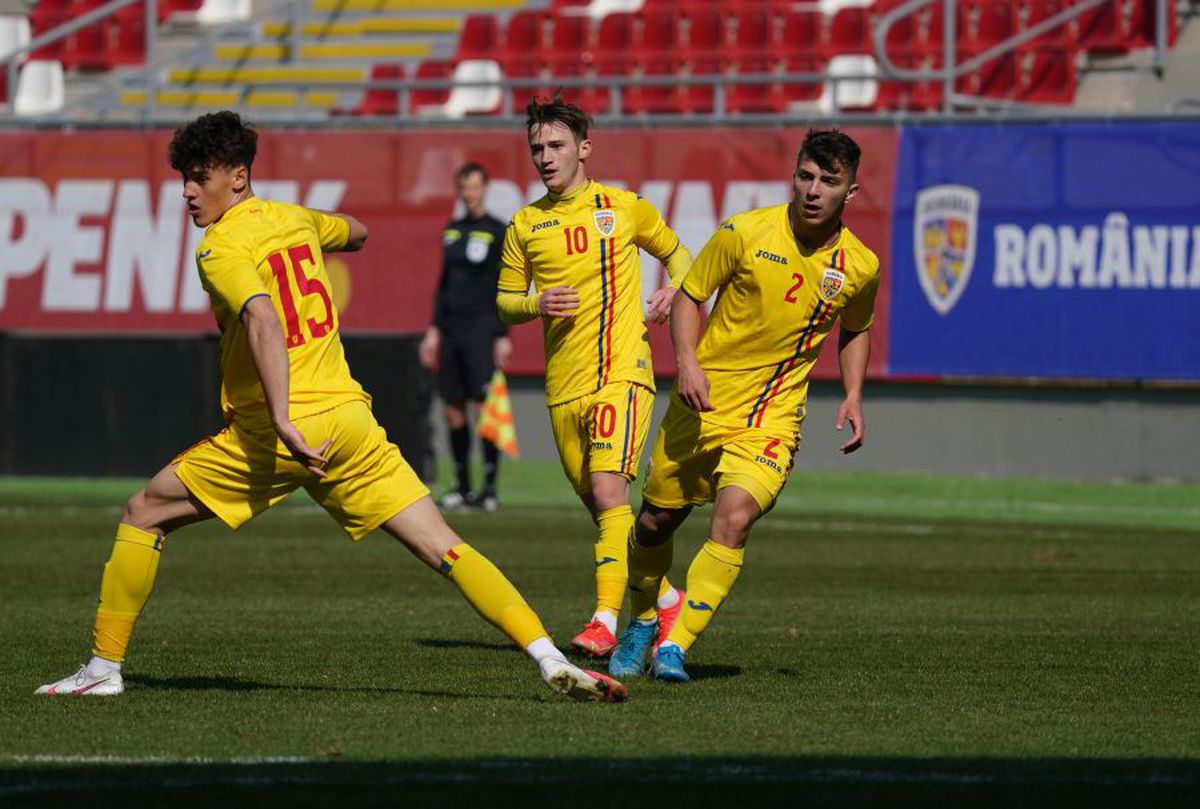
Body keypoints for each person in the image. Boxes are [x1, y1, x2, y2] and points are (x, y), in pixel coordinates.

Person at [35, 111, 626, 703]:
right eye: (184, 179)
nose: (189, 192)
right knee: (444, 545)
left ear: (238, 177)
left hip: (279, 432)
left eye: (199, 177)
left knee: (142, 513)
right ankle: (546, 656)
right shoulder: (293, 218)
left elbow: (262, 316)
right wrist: (323, 232)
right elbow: (358, 231)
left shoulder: (219, 246)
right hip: (350, 421)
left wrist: (285, 419)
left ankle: (102, 668)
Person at [607, 129, 880, 682]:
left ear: (850, 193)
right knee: (656, 522)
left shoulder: (860, 266)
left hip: (773, 417)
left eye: (829, 182)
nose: (813, 190)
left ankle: (675, 646)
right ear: (794, 174)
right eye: (806, 175)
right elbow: (690, 294)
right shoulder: (745, 231)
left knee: (733, 519)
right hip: (702, 403)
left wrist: (853, 392)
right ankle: (640, 620)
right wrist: (687, 361)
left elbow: (856, 328)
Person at [496, 96, 693, 658]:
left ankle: (605, 622)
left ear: (584, 148)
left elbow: (681, 257)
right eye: (537, 148)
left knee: (611, 496)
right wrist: (537, 302)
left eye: (556, 145)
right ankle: (666, 600)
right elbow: (506, 302)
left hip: (621, 375)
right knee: (608, 517)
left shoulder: (623, 206)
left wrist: (675, 288)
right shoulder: (525, 224)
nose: (545, 157)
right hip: (564, 389)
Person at [418, 163, 510, 513]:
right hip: (452, 330)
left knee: (484, 408)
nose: (469, 193)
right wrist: (433, 330)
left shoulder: (497, 231)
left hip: (482, 329)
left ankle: (489, 489)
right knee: (452, 409)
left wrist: (502, 334)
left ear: (484, 188)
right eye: (464, 187)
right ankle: (462, 486)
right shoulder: (452, 231)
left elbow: (507, 286)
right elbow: (443, 285)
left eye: (474, 186)